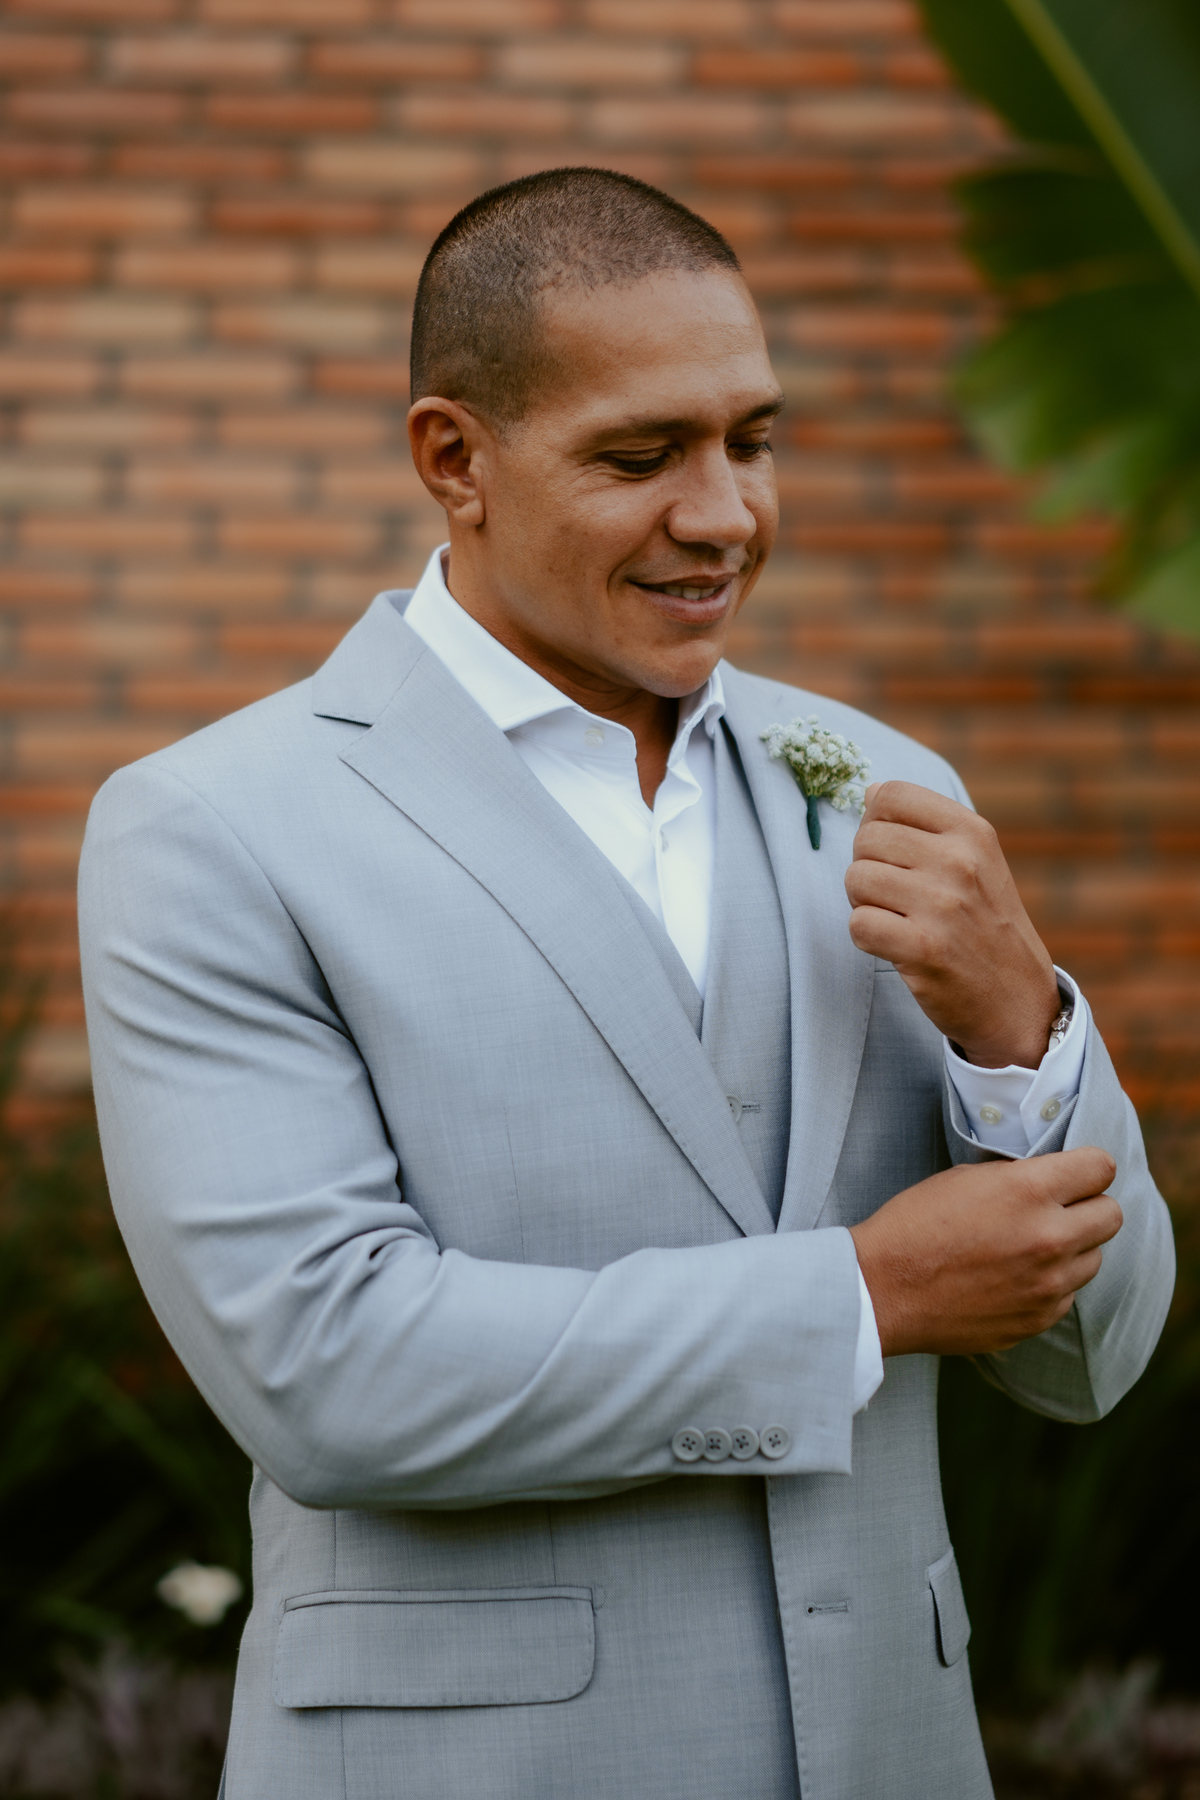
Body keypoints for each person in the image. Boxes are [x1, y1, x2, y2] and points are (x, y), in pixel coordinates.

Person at [78, 168, 1174, 1800]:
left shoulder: (878, 785)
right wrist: (861, 1298)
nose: (725, 514)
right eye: (641, 455)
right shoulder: (215, 828)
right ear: (454, 458)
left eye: (753, 439)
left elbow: (1093, 1358)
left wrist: (1025, 1025)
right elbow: (328, 1372)